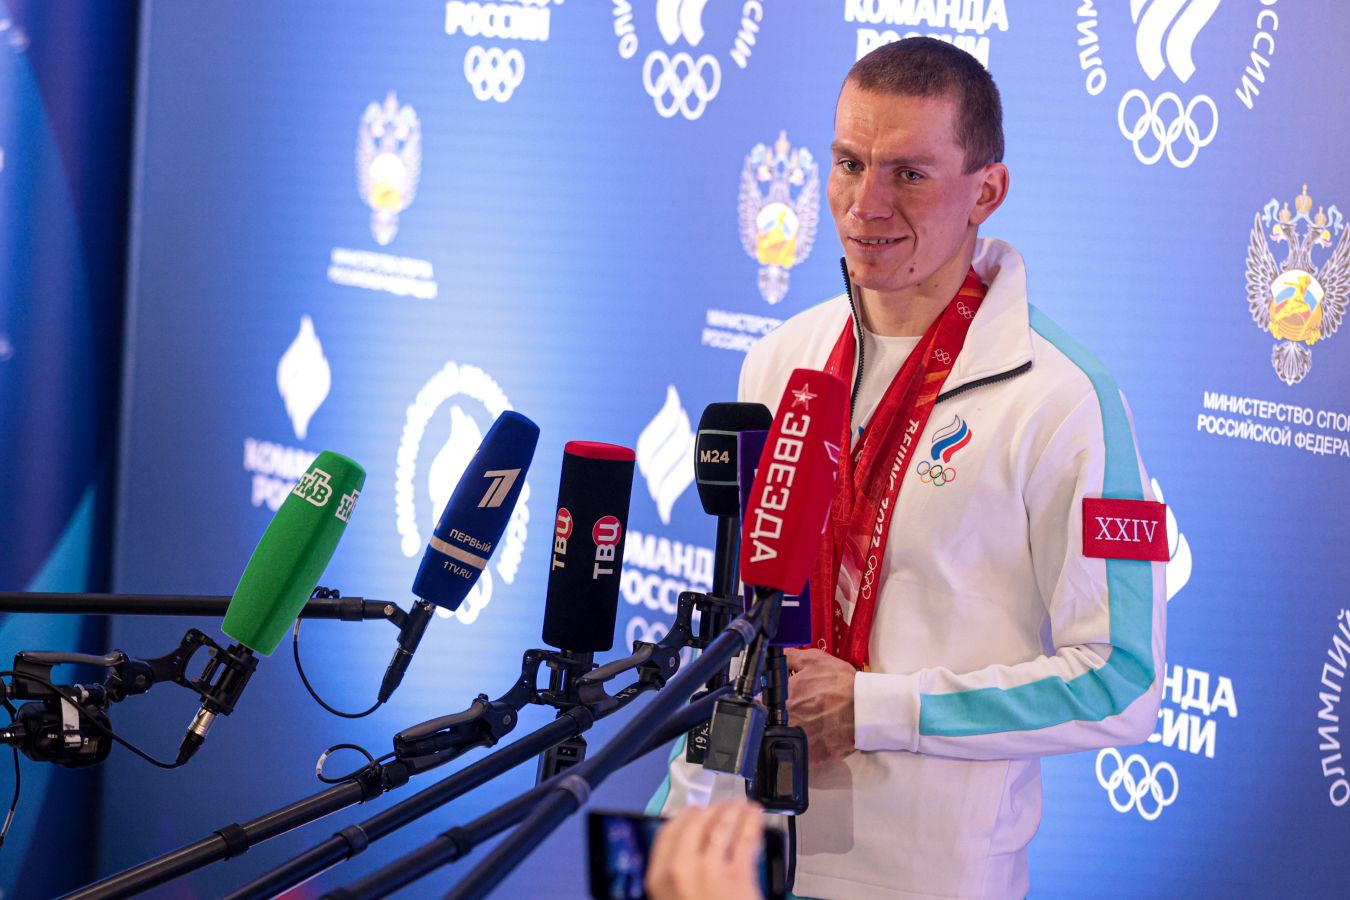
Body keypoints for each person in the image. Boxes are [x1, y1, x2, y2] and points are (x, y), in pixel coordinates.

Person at [651, 37, 1168, 899]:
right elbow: (746, 629)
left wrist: (874, 710)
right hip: (736, 858)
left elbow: (1122, 681)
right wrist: (678, 811)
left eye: (910, 174)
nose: (866, 205)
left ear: (986, 192)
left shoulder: (1065, 398)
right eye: (850, 163)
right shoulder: (781, 357)